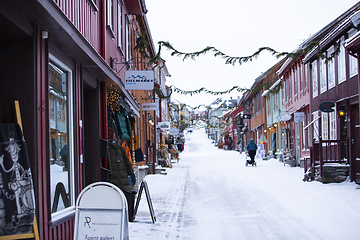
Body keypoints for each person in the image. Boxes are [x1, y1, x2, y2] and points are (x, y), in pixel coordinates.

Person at [108, 139, 136, 222]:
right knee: (129, 195)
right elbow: (127, 163)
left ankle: (128, 216)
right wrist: (130, 173)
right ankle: (129, 217)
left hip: (117, 181)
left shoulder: (118, 148)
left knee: (129, 194)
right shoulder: (119, 148)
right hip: (119, 181)